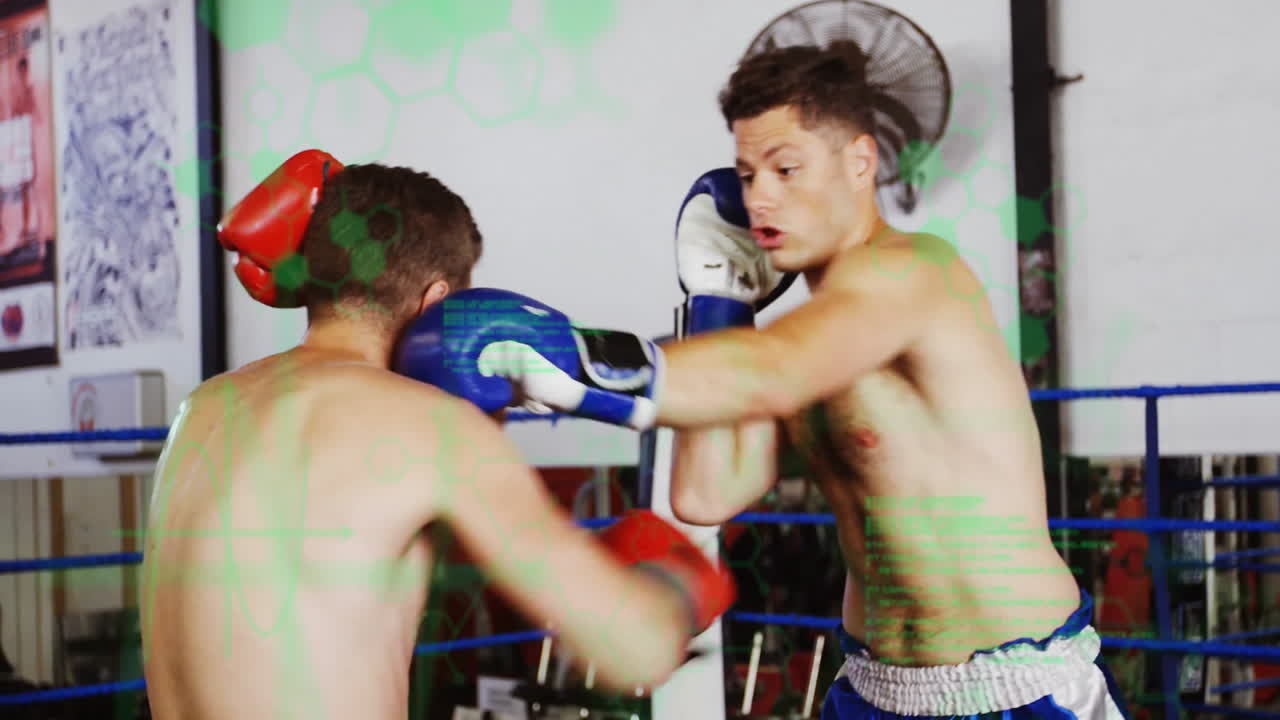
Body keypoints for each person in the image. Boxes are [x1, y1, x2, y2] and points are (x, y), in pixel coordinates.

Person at [405, 44, 1130, 719]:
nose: (760, 201)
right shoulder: (795, 340)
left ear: (859, 162)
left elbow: (772, 373)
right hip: (874, 685)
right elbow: (710, 490)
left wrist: (566, 363)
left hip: (1015, 684)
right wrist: (717, 303)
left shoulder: (914, 272)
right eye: (748, 175)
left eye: (787, 170)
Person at [138, 150, 736, 720]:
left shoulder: (202, 410)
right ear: (439, 302)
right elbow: (634, 649)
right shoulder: (427, 428)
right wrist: (675, 581)